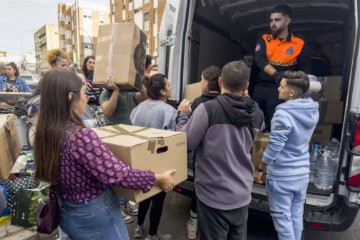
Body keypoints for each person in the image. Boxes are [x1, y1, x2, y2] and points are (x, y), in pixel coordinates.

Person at [33, 69, 176, 240]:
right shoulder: (80, 136)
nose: (86, 98)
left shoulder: (45, 131)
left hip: (66, 208)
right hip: (94, 213)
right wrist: (157, 178)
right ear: (71, 96)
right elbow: (119, 174)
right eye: (84, 93)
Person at [177, 60, 264, 240]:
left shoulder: (207, 109)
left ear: (220, 82)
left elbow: (186, 143)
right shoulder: (257, 114)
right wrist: (246, 99)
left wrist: (184, 115)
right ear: (246, 85)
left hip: (212, 196)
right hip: (241, 194)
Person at [254, 71, 319, 240]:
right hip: (301, 174)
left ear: (291, 93)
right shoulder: (311, 111)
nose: (277, 89)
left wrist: (261, 167)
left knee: (283, 222)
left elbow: (275, 145)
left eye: (281, 86)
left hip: (283, 177)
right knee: (296, 216)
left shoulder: (282, 114)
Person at [131, 73, 177, 240]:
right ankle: (152, 236)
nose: (171, 87)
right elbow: (172, 140)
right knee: (158, 199)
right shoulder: (169, 111)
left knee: (144, 194)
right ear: (163, 92)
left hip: (141, 159)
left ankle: (138, 227)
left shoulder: (138, 109)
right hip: (160, 160)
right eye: (169, 85)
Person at [252, 5, 311, 131]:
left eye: (277, 20)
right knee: (253, 125)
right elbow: (260, 60)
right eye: (271, 20)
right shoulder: (264, 38)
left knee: (278, 127)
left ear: (287, 21)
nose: (273, 24)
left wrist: (294, 89)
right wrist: (277, 74)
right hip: (260, 89)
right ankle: (253, 150)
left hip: (280, 91)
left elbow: (305, 71)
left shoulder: (300, 44)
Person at [186, 65, 221, 239]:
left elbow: (190, 137)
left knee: (198, 189)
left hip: (202, 155)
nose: (200, 82)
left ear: (207, 82)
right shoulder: (225, 100)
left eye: (201, 79)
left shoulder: (199, 102)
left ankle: (193, 222)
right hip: (220, 154)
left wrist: (183, 115)